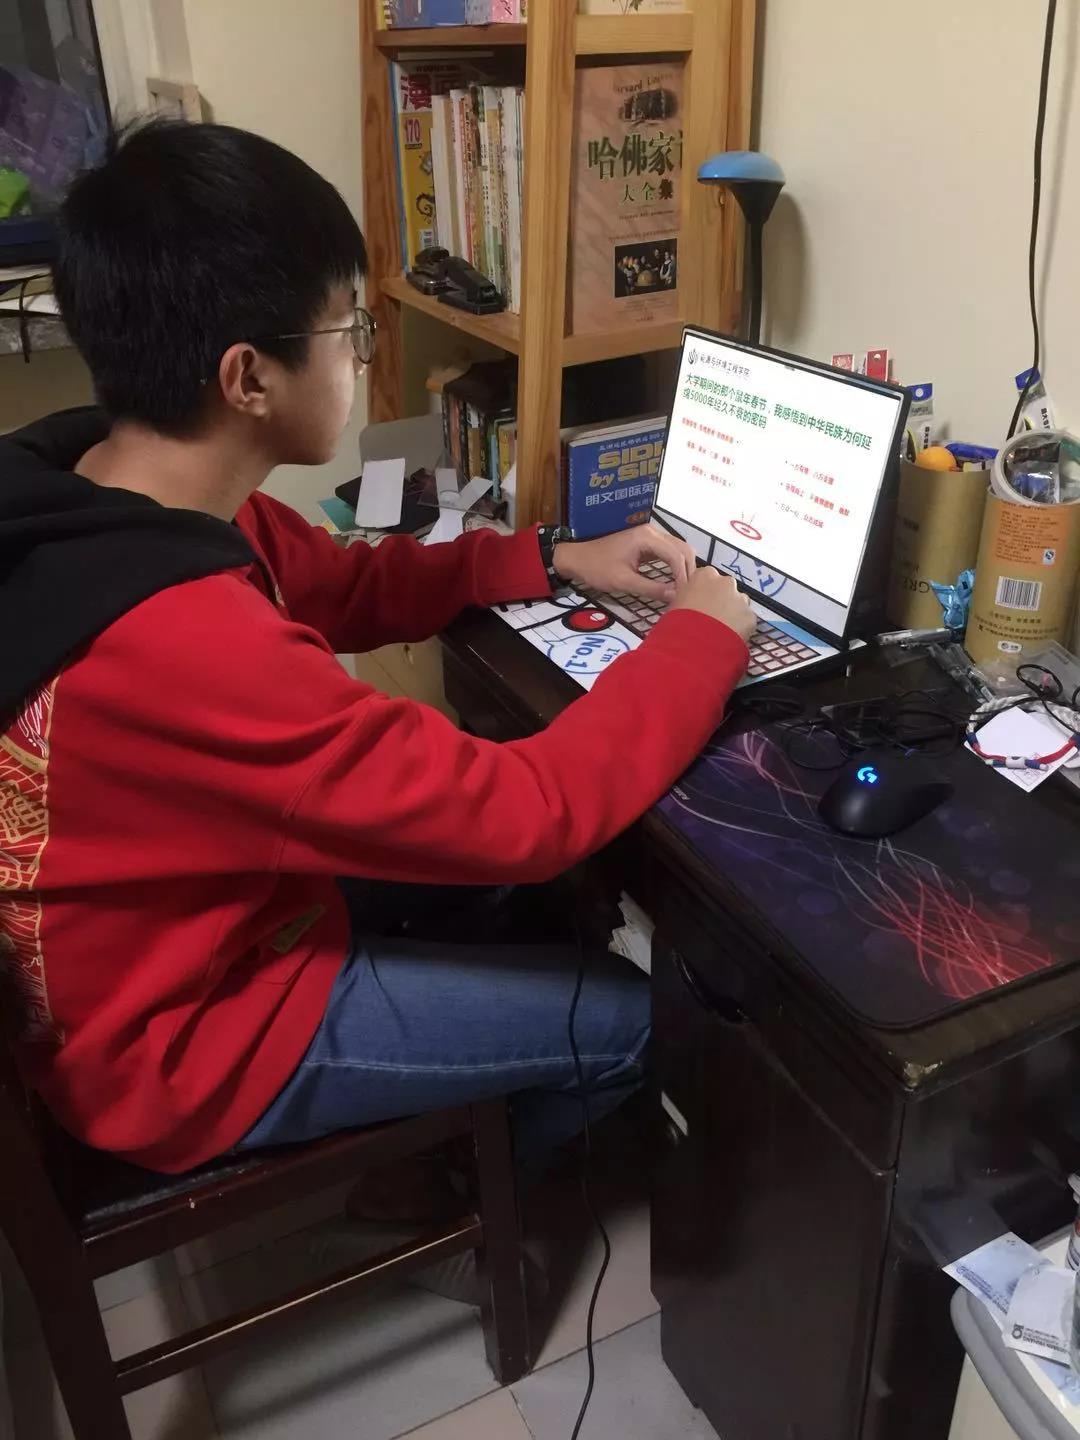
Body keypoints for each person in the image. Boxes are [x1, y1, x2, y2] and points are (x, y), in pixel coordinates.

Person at [0, 120, 754, 1182]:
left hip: (170, 932)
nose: (360, 356)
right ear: (249, 377)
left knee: (512, 900)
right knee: (636, 1016)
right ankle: (450, 1197)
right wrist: (701, 643)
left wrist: (548, 555)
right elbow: (525, 814)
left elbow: (343, 583)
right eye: (348, 329)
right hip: (178, 1042)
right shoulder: (181, 638)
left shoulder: (105, 492)